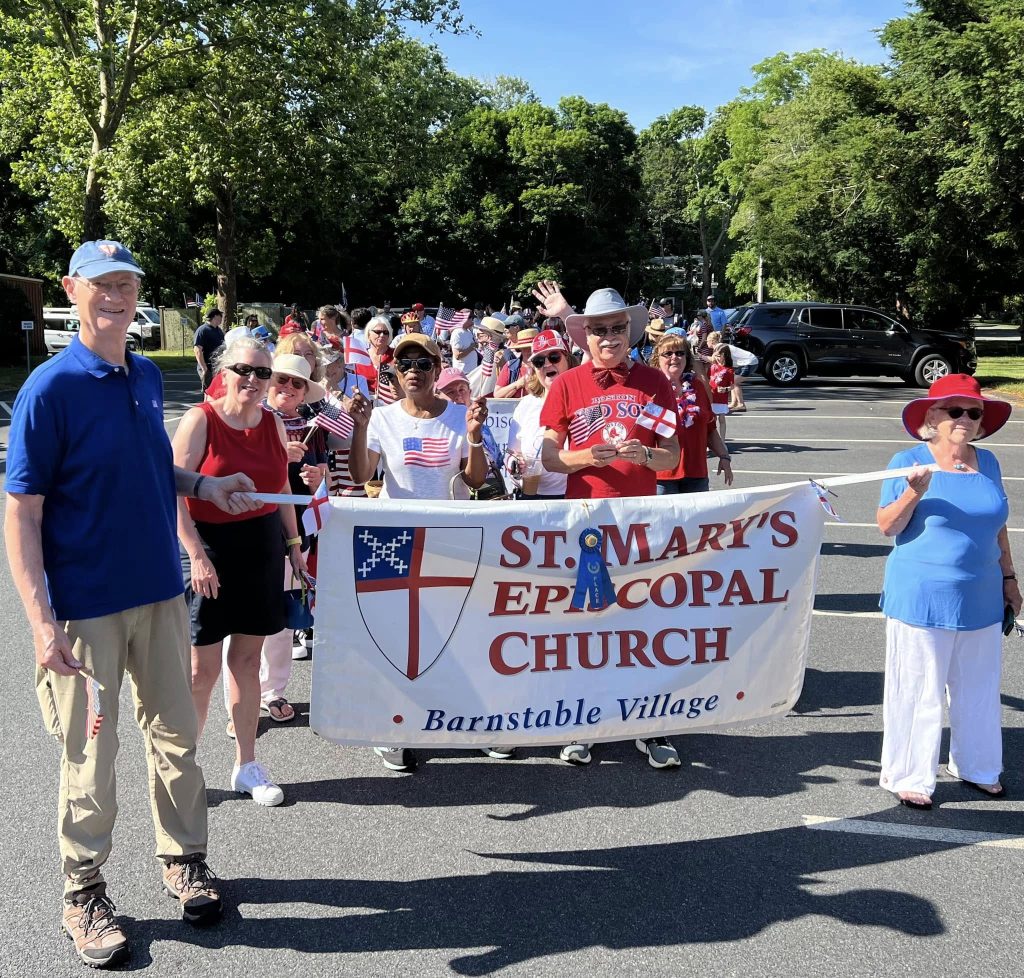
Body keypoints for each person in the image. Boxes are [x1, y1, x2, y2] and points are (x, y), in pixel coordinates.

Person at [5, 240, 262, 967]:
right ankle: (83, 890)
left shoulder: (145, 375)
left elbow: (153, 467)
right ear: (72, 291)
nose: (116, 297)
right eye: (102, 285)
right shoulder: (49, 390)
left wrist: (204, 486)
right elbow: (22, 511)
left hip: (158, 594)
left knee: (177, 737)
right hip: (85, 609)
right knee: (90, 754)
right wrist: (40, 622)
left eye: (127, 284)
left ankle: (183, 859)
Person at [533, 282, 682, 770]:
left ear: (630, 331)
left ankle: (650, 726)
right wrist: (584, 458)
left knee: (643, 625)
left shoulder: (653, 383)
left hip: (640, 522)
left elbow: (672, 454)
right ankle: (583, 723)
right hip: (586, 523)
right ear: (586, 335)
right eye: (600, 329)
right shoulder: (567, 384)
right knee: (589, 624)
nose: (610, 336)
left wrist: (647, 455)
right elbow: (550, 457)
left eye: (618, 327)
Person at [348, 334, 497, 772]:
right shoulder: (382, 418)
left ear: (437, 369)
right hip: (396, 542)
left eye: (423, 363)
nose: (413, 370)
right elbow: (360, 475)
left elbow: (475, 480)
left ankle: (463, 720)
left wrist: (474, 437)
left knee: (456, 635)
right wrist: (359, 428)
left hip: (450, 541)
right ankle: (394, 728)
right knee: (398, 639)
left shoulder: (458, 415)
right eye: (404, 363)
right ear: (394, 372)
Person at [876, 375, 1018, 811]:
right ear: (931, 417)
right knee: (918, 689)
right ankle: (909, 774)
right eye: (955, 411)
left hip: (981, 596)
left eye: (974, 412)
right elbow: (887, 526)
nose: (966, 419)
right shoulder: (908, 460)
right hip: (921, 595)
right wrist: (913, 493)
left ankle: (977, 767)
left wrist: (1010, 578)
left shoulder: (987, 462)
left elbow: (997, 526)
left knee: (978, 688)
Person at [174, 340, 306, 810]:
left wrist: (294, 546)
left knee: (248, 664)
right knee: (201, 670)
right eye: (244, 370)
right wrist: (196, 555)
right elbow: (172, 491)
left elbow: (281, 486)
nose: (253, 379)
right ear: (223, 372)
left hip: (262, 547)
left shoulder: (272, 422)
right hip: (209, 546)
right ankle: (181, 770)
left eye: (263, 372)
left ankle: (246, 765)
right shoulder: (200, 420)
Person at [653, 335, 732, 494]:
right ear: (657, 359)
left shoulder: (698, 387)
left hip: (696, 474)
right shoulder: (651, 389)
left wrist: (724, 456)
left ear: (686, 358)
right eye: (668, 353)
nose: (674, 357)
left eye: (680, 353)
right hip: (662, 475)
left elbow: (710, 428)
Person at [507, 330, 571, 500]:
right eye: (539, 361)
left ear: (568, 359)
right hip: (532, 497)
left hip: (573, 497)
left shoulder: (582, 400)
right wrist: (514, 463)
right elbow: (511, 452)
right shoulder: (526, 405)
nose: (547, 364)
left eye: (554, 357)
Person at [707, 330, 756, 411]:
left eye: (707, 341)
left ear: (711, 341)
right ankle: (733, 403)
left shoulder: (719, 348)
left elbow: (713, 360)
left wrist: (700, 356)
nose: (706, 343)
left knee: (734, 382)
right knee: (732, 381)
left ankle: (741, 404)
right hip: (746, 362)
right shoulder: (721, 346)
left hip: (749, 362)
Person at [494, 327, 537, 398]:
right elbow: (497, 394)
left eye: (531, 347)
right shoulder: (510, 366)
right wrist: (517, 384)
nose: (528, 351)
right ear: (520, 349)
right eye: (525, 348)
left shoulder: (546, 366)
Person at [193, 308, 224, 394]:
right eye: (220, 316)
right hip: (208, 368)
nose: (222, 318)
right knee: (209, 392)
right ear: (215, 316)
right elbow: (197, 350)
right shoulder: (202, 330)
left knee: (218, 392)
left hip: (217, 367)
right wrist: (204, 368)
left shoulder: (219, 330)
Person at [708, 344, 734, 441]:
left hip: (721, 398)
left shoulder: (729, 370)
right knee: (712, 420)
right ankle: (712, 441)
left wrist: (725, 389)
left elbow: (732, 386)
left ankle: (722, 440)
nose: (717, 358)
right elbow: (708, 380)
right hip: (712, 397)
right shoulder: (712, 367)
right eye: (716, 355)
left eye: (719, 356)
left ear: (725, 355)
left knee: (722, 419)